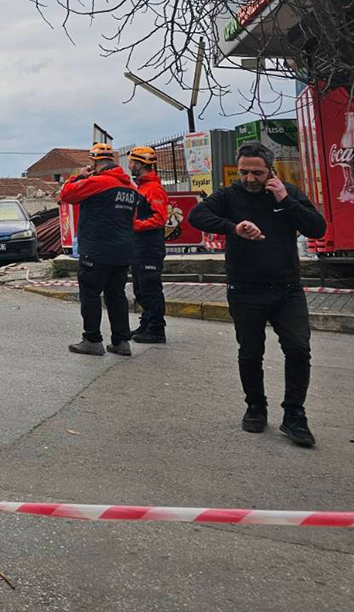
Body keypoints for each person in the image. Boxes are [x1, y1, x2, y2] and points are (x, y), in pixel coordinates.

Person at [189, 143, 327, 447]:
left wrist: (285, 200)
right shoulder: (228, 195)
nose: (249, 178)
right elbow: (196, 216)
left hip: (287, 290)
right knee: (250, 352)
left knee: (298, 348)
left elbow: (317, 228)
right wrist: (233, 227)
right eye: (244, 172)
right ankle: (255, 406)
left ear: (270, 171)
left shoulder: (286, 193)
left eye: (257, 172)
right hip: (245, 289)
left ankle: (294, 414)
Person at [60, 143, 139, 357]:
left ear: (94, 162)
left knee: (91, 295)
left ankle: (92, 340)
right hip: (123, 250)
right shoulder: (130, 188)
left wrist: (79, 176)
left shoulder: (98, 182)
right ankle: (122, 341)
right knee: (116, 295)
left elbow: (66, 194)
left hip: (97, 249)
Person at [127, 146, 169, 344]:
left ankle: (156, 329)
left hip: (149, 247)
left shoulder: (153, 188)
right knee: (141, 288)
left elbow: (160, 218)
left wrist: (134, 225)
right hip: (139, 246)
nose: (129, 166)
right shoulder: (142, 187)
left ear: (141, 164)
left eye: (132, 162)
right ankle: (146, 323)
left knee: (150, 288)